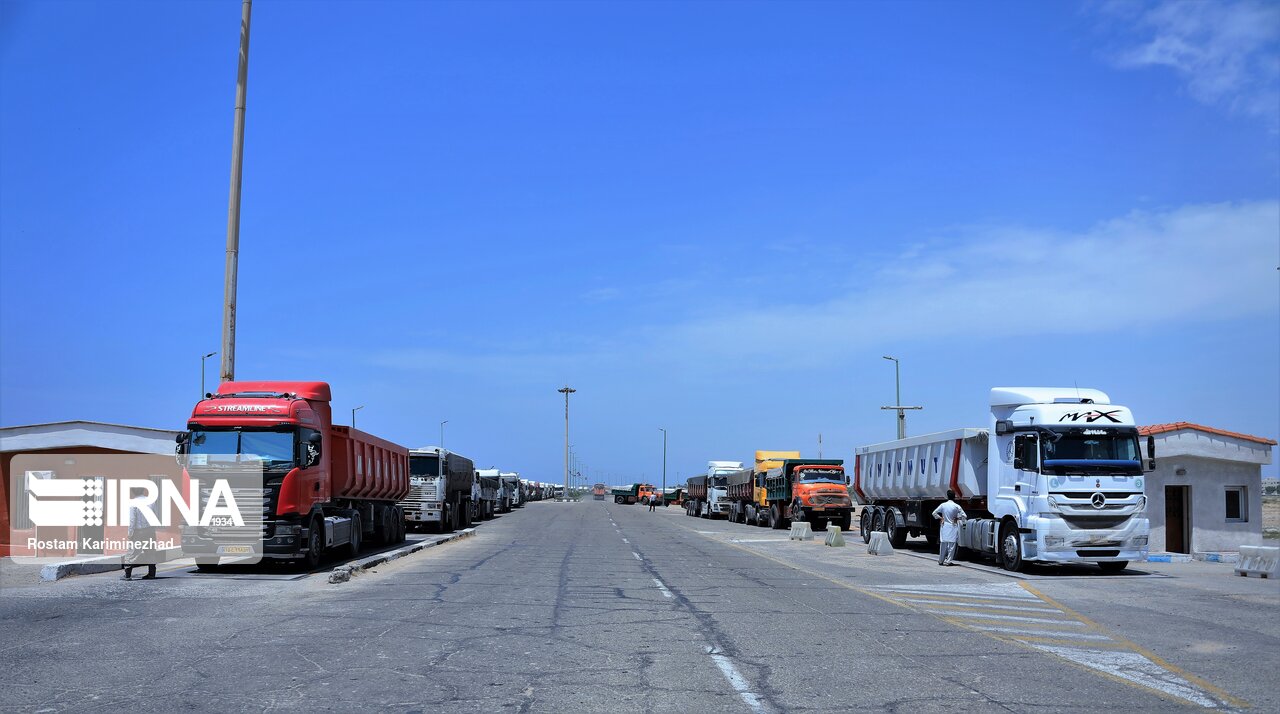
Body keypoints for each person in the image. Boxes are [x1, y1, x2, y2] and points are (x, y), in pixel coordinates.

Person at [123, 497, 157, 580]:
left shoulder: (133, 503)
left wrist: (130, 533)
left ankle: (127, 575)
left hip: (138, 531)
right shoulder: (151, 501)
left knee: (132, 553)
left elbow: (132, 519)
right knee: (150, 552)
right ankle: (152, 574)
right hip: (150, 530)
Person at [931, 490, 966, 566]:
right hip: (953, 526)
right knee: (952, 545)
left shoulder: (943, 505)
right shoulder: (956, 506)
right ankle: (948, 561)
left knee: (943, 543)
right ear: (954, 497)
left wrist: (940, 518)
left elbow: (934, 513)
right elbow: (964, 516)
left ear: (947, 496)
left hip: (944, 526)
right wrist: (958, 518)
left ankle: (941, 560)